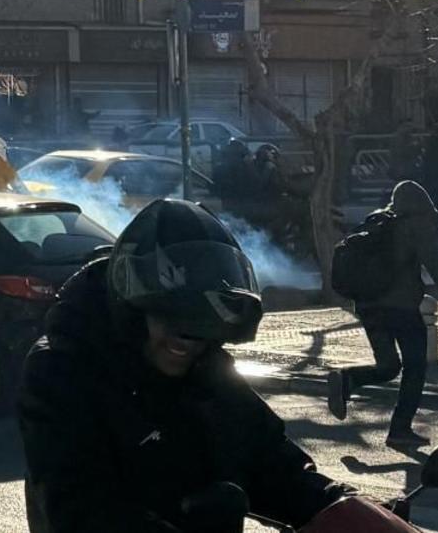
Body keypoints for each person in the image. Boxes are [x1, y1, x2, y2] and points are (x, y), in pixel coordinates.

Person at [18, 199, 355, 532]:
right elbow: (82, 508)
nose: (186, 342)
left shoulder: (208, 371)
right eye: (171, 320)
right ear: (133, 310)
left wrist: (343, 508)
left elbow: (272, 462)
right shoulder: (61, 371)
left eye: (200, 330)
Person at [327, 181, 438, 447]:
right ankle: (399, 430)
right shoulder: (415, 225)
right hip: (400, 309)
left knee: (389, 366)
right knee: (415, 368)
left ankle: (348, 379)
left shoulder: (377, 221)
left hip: (368, 307)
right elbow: (437, 263)